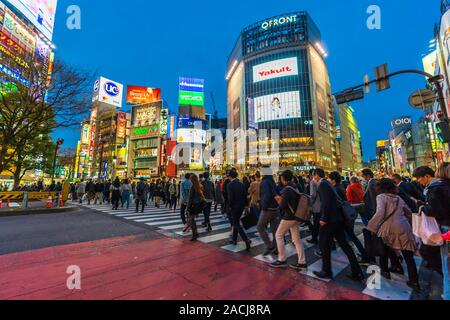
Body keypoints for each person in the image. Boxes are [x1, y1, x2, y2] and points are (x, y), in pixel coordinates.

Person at [368, 178, 420, 292]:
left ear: (380, 187)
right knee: (408, 256)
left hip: (388, 229)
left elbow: (380, 213)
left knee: (384, 251)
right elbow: (408, 212)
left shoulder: (381, 197)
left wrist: (371, 226)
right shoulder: (398, 197)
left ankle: (385, 271)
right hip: (403, 227)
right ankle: (414, 282)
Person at [312, 168, 364, 281]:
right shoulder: (328, 184)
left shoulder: (322, 185)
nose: (313, 179)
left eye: (313, 176)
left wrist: (324, 218)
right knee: (344, 245)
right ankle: (357, 271)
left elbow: (326, 203)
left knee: (323, 243)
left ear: (316, 175)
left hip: (330, 220)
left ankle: (326, 270)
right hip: (338, 219)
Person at [414, 164, 450, 300]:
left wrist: (422, 207)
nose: (418, 181)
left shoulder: (435, 188)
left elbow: (437, 212)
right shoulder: (444, 186)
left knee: (446, 265)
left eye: (419, 178)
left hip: (445, 228)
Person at [269, 170, 307, 271]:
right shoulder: (295, 186)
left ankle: (281, 259)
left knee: (278, 235)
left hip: (289, 217)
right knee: (296, 239)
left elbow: (282, 205)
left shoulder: (287, 190)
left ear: (283, 179)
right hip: (297, 216)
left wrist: (278, 200)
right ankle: (302, 262)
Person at [330, 172, 371, 265]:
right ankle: (363, 255)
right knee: (349, 236)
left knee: (348, 237)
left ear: (333, 180)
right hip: (348, 214)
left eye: (329, 179)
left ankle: (361, 258)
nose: (328, 180)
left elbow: (340, 202)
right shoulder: (343, 187)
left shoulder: (337, 188)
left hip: (341, 216)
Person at [258, 166, 280, 256]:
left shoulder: (265, 182)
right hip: (276, 209)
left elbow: (266, 196)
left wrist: (264, 206)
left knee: (260, 227)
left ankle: (270, 246)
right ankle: (276, 248)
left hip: (268, 209)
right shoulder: (272, 181)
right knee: (275, 230)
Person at [227, 169, 252, 250]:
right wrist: (246, 205)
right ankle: (234, 239)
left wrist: (230, 206)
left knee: (236, 223)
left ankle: (246, 239)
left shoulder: (230, 185)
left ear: (230, 176)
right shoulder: (241, 184)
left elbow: (231, 198)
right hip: (241, 206)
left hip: (234, 207)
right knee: (236, 222)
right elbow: (245, 195)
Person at [186, 174, 206, 241]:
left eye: (191, 179)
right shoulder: (200, 185)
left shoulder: (193, 187)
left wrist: (188, 207)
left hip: (193, 205)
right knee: (192, 219)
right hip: (198, 205)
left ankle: (194, 234)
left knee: (192, 220)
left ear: (192, 180)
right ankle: (196, 233)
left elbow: (190, 198)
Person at [307, 169, 321, 245]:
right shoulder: (320, 181)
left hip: (316, 206)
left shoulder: (312, 182)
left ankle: (314, 238)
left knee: (316, 223)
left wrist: (310, 204)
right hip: (321, 205)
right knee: (318, 224)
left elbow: (313, 195)